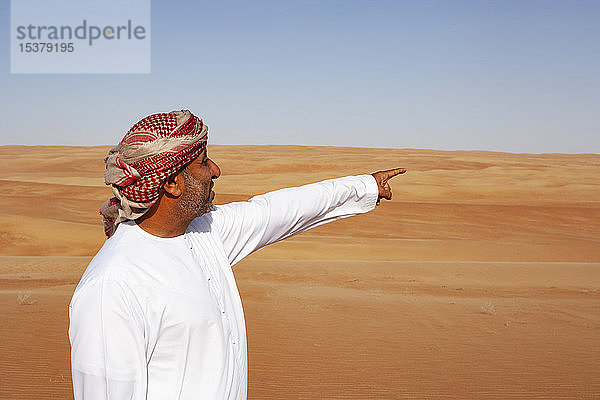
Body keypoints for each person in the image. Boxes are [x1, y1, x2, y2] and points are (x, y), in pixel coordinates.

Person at [68, 109, 405, 400]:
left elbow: (278, 211)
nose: (215, 170)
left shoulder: (205, 232)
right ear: (172, 184)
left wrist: (365, 186)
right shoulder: (112, 287)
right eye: (202, 163)